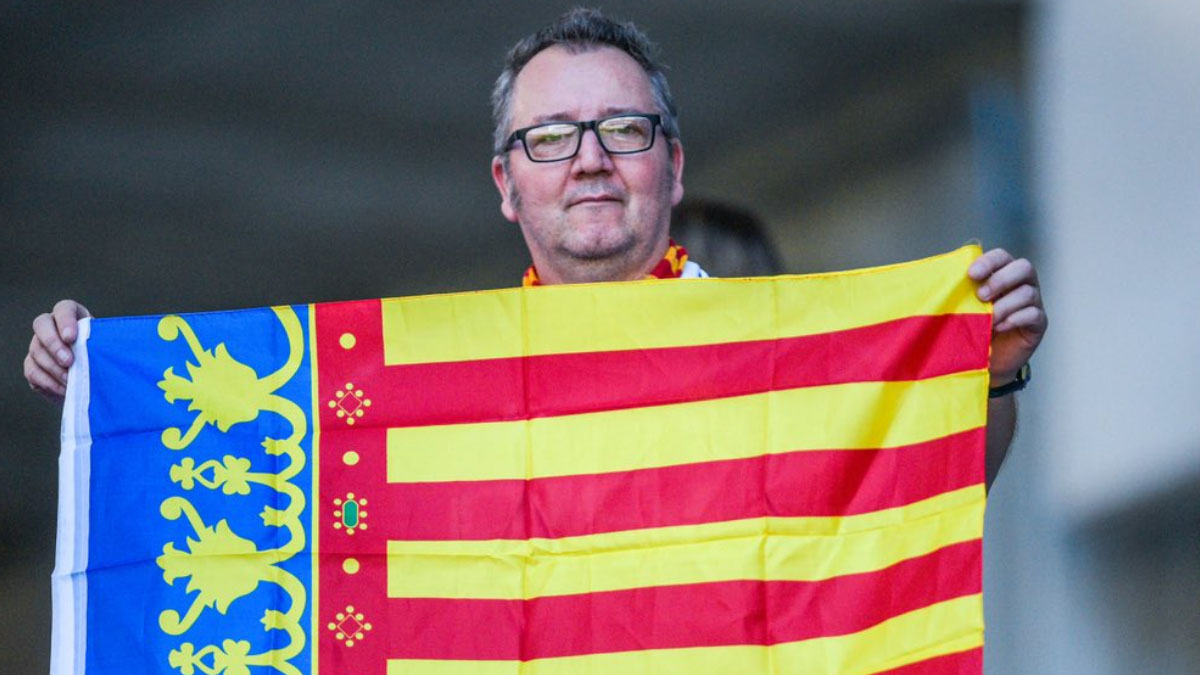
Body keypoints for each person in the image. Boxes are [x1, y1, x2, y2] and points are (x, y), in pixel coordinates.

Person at [24, 8, 1046, 487]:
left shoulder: (778, 358)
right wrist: (105, 388)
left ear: (675, 168)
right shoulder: (420, 394)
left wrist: (991, 378)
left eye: (625, 130)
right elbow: (262, 511)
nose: (591, 160)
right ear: (508, 185)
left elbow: (923, 491)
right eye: (552, 138)